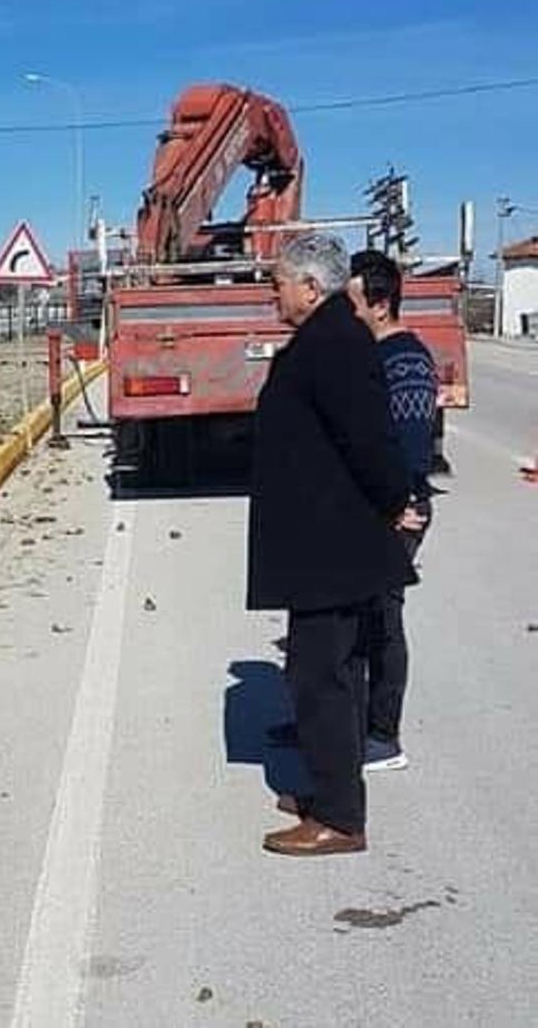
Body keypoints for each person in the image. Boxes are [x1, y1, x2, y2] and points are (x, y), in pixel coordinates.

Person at [248, 233, 414, 857]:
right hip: (321, 540)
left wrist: (397, 500)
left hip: (332, 544)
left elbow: (371, 439)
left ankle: (340, 819)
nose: (272, 295)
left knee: (324, 678)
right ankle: (328, 789)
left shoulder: (336, 343)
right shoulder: (327, 337)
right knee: (325, 672)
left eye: (278, 284)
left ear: (310, 288)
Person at [348, 250, 439, 772]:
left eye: (354, 301)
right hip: (375, 508)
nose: (348, 311)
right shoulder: (373, 354)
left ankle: (383, 737)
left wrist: (397, 504)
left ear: (379, 304)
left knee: (381, 618)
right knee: (350, 619)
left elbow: (409, 445)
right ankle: (342, 720)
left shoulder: (404, 360)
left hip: (396, 511)